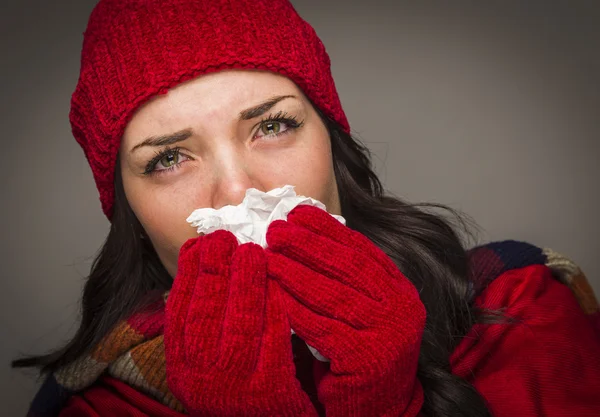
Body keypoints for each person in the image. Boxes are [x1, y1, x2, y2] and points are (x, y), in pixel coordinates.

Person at [13, 0, 600, 416]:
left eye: (272, 125)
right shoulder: (98, 405)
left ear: (332, 142)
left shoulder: (518, 306)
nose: (239, 190)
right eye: (168, 159)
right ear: (129, 214)